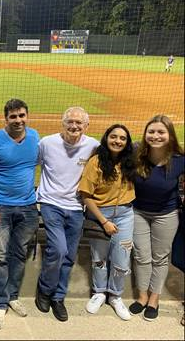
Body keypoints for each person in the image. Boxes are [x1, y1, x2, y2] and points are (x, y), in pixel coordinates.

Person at [35, 107, 99, 322]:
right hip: (50, 203)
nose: (74, 126)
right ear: (62, 123)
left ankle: (58, 297)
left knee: (69, 256)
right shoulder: (46, 143)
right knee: (58, 250)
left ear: (86, 126)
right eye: (70, 122)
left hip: (76, 207)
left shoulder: (93, 146)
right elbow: (33, 165)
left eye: (79, 123)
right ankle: (45, 290)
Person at [0, 98, 40, 330]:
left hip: (28, 207)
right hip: (1, 207)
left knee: (19, 255)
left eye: (22, 116)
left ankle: (13, 296)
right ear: (5, 118)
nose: (18, 120)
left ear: (27, 116)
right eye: (13, 116)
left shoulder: (35, 137)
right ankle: (0, 302)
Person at [129, 115, 185, 321]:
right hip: (138, 212)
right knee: (141, 255)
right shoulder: (136, 154)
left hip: (167, 215)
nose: (155, 136)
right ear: (145, 134)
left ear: (170, 135)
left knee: (160, 258)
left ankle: (154, 298)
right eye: (151, 131)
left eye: (161, 132)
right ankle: (142, 296)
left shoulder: (180, 160)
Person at [78, 124, 136, 321]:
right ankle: (99, 292)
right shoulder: (96, 162)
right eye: (114, 136)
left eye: (122, 138)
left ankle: (116, 295)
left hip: (125, 214)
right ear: (106, 138)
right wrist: (104, 222)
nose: (117, 141)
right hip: (99, 215)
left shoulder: (130, 161)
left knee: (121, 258)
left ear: (127, 142)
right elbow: (86, 195)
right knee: (99, 257)